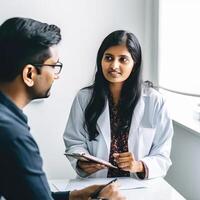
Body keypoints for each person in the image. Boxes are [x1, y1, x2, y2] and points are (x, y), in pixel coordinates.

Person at [0, 17, 125, 200]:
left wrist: (74, 196)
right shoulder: (12, 135)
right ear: (29, 74)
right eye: (54, 66)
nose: (56, 76)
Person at [63, 30, 174, 179]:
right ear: (100, 60)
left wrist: (139, 165)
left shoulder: (154, 101)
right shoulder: (84, 98)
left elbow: (162, 154)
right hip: (96, 184)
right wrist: (82, 162)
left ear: (135, 64)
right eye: (108, 58)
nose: (114, 65)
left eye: (123, 59)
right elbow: (74, 141)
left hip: (139, 187)